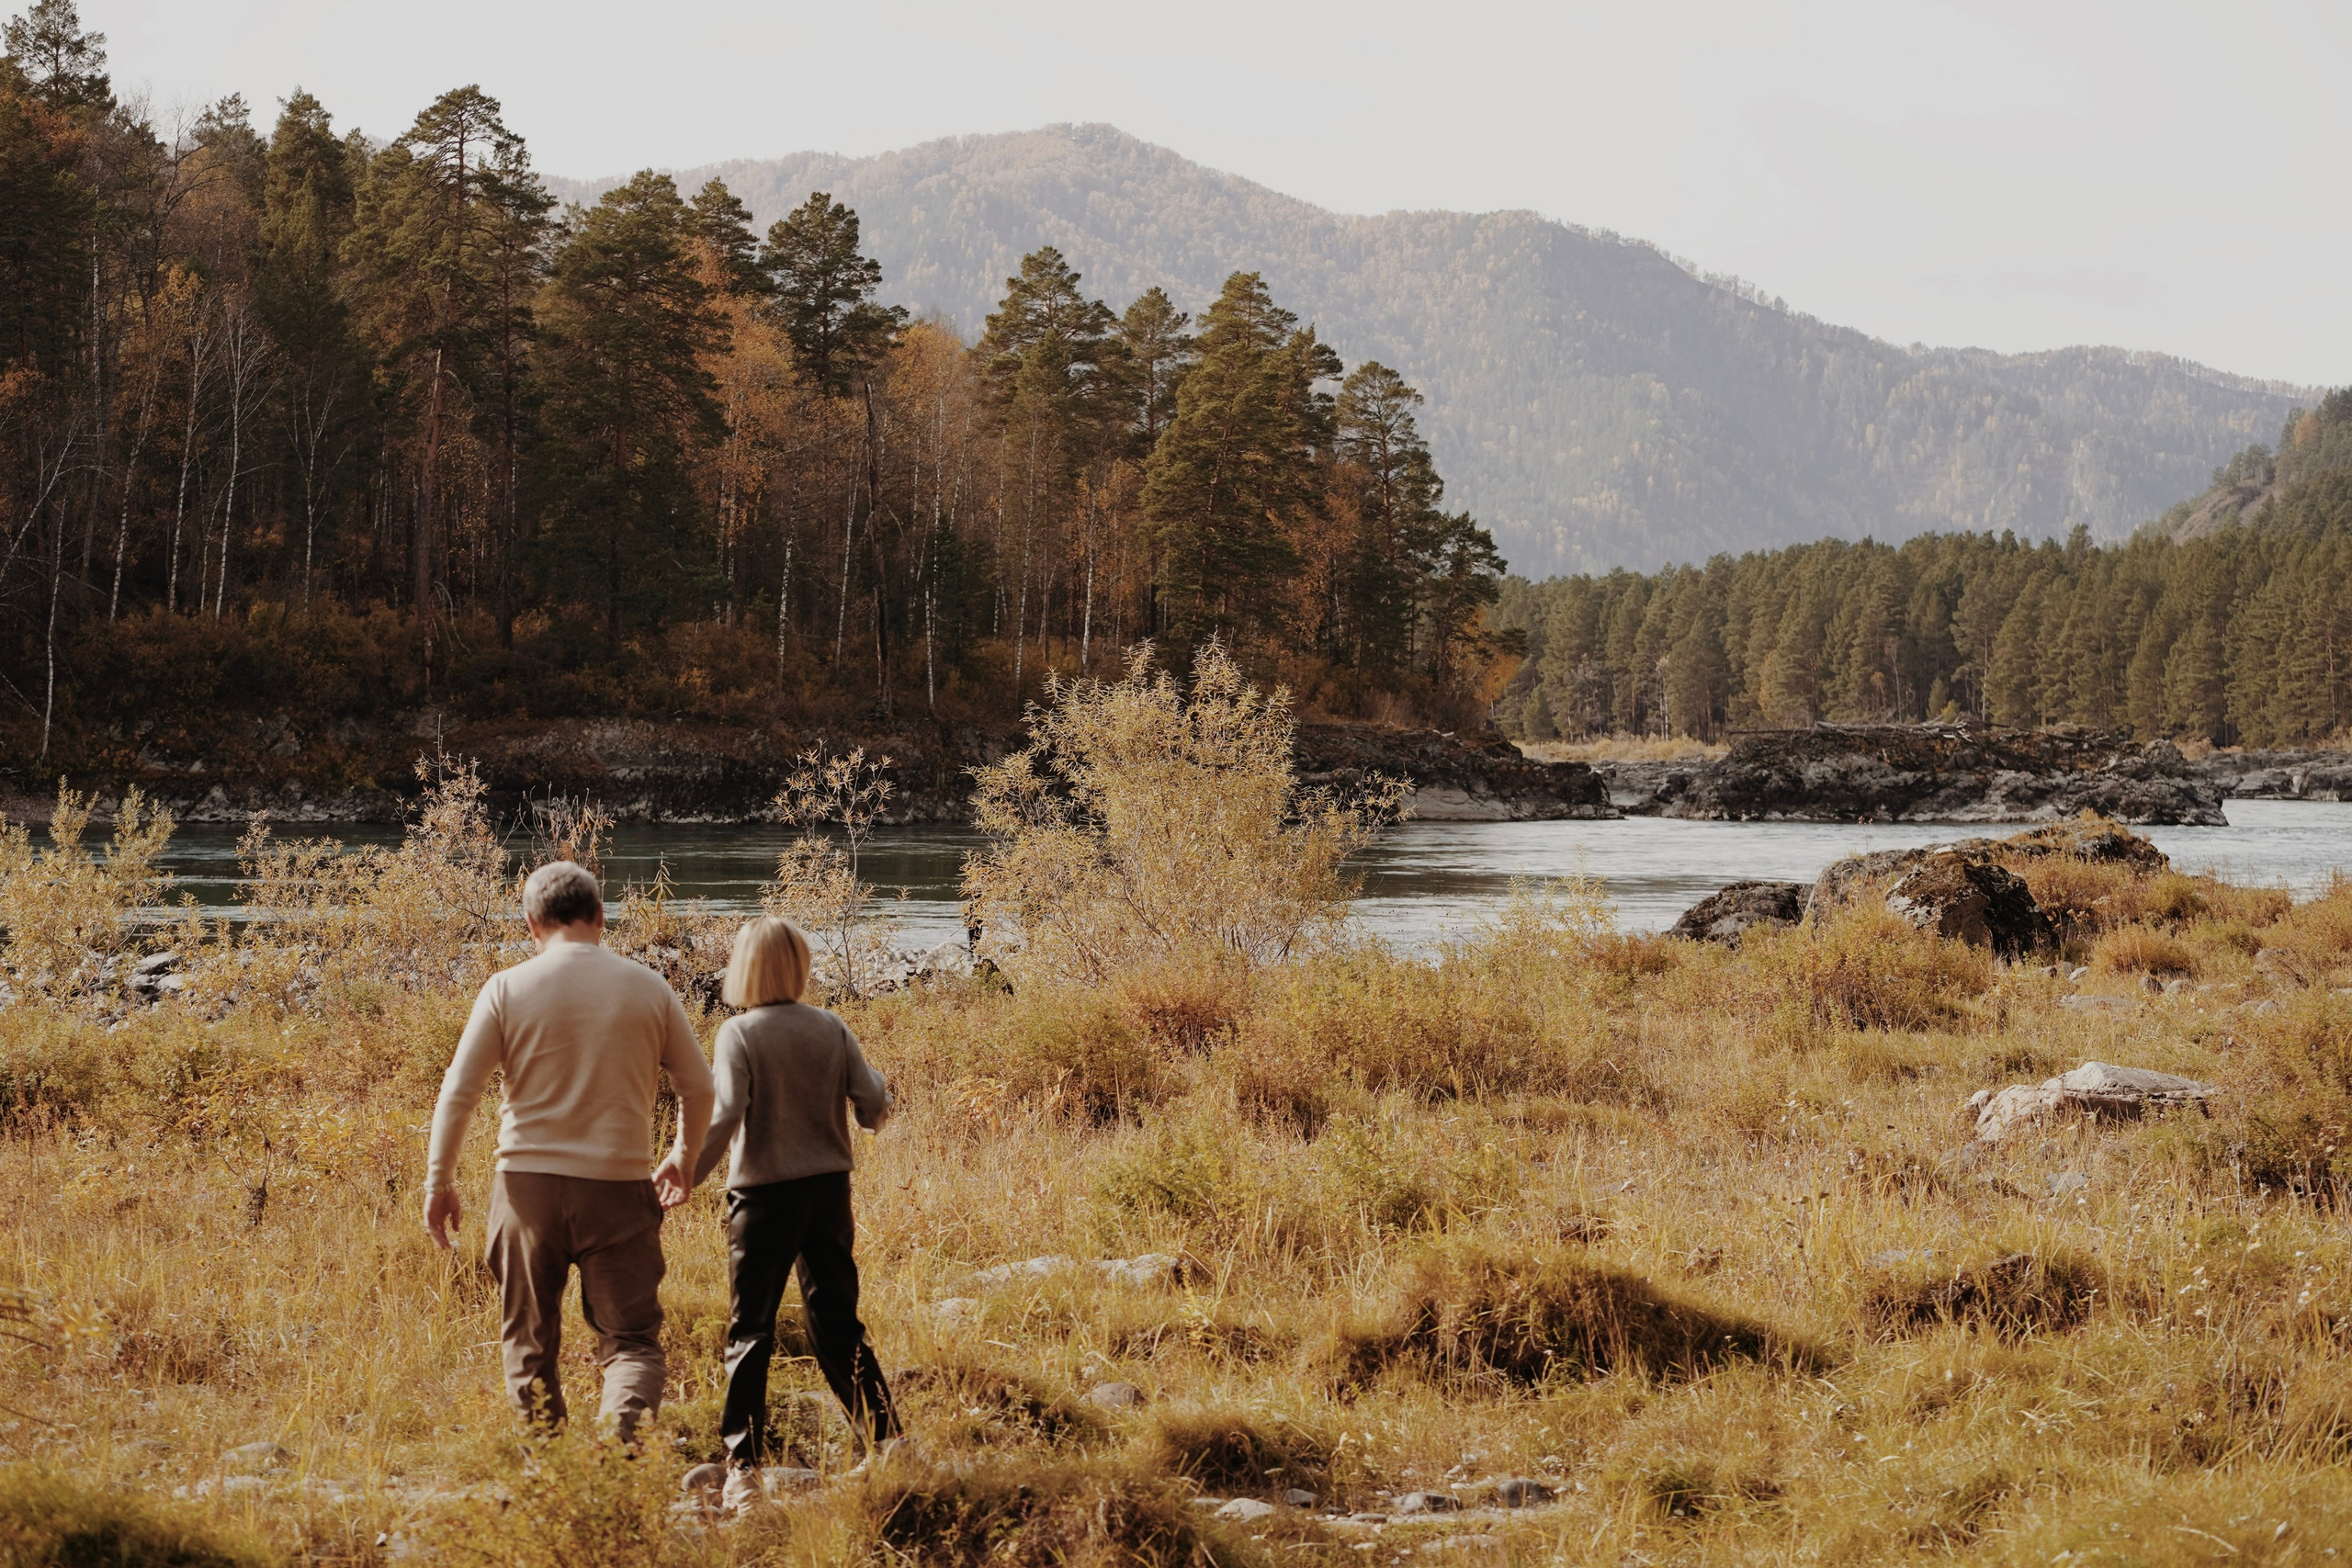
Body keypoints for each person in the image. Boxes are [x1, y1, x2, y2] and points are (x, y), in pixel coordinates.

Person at [424, 860, 715, 1444]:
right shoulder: (649, 987)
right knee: (631, 1343)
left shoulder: (506, 988)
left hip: (526, 1191)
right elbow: (701, 1087)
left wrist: (439, 1182)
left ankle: (549, 1474)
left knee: (529, 1342)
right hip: (619, 1188)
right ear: (600, 917)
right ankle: (617, 1455)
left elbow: (460, 1092)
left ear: (531, 923)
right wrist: (683, 1157)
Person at [689, 914, 898, 1508]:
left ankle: (743, 1472)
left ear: (744, 968)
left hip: (762, 1197)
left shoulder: (740, 1034)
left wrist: (687, 1173)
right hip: (828, 1192)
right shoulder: (831, 1027)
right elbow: (872, 1102)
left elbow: (727, 1113)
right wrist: (869, 1109)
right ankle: (887, 1441)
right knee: (835, 1322)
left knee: (750, 1330)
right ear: (799, 965)